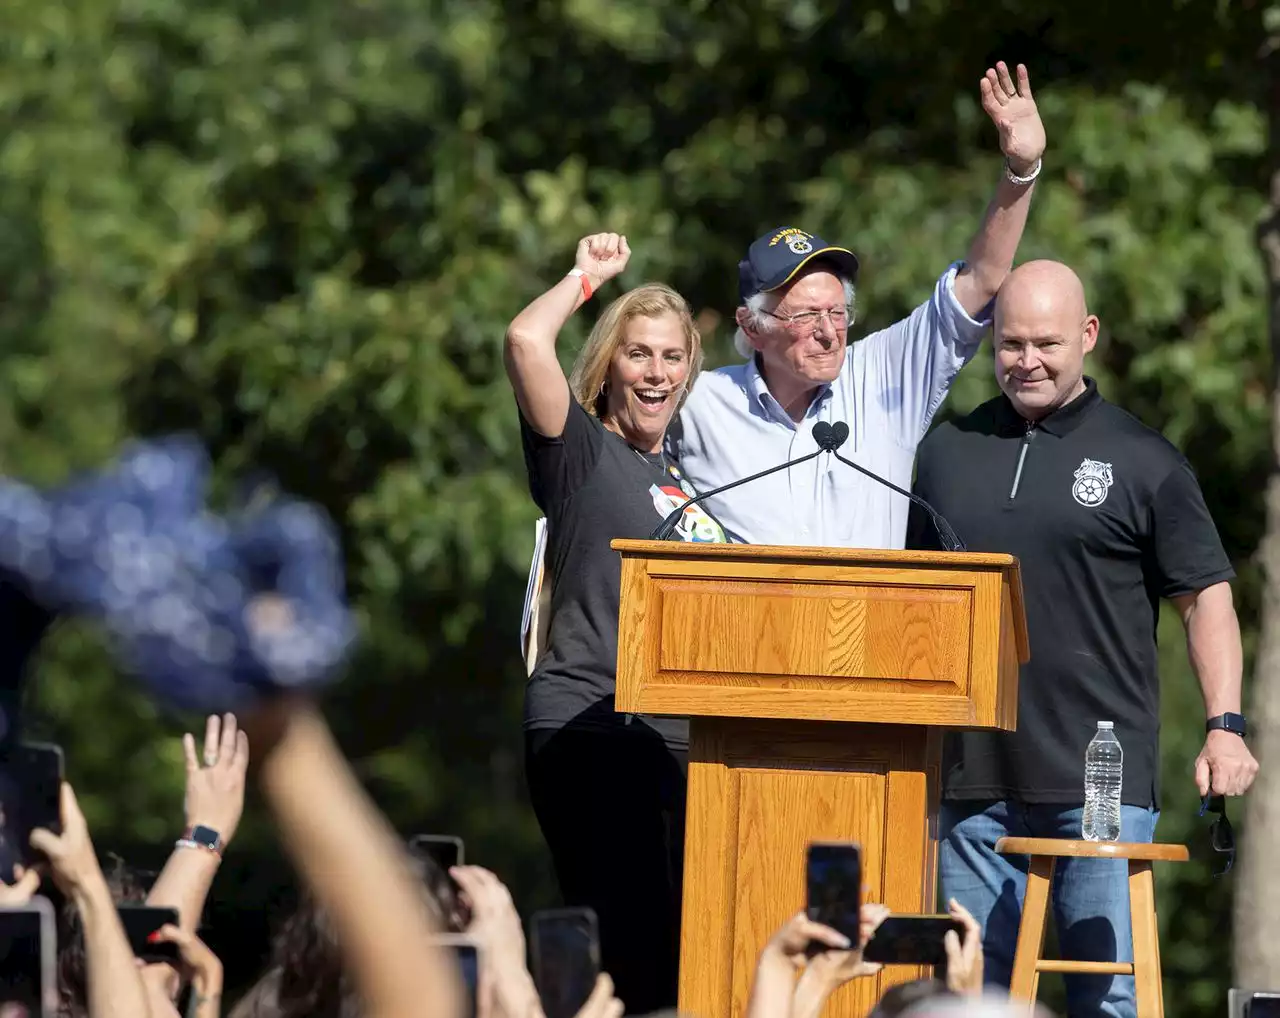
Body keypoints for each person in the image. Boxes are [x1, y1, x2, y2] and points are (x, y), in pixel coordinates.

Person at [906, 260, 1260, 1018]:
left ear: (1088, 337)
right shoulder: (942, 453)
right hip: (970, 782)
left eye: (1046, 343)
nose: (1026, 360)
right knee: (971, 999)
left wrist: (1224, 728)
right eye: (1009, 343)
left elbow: (1206, 599)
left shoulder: (1145, 461)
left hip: (1100, 782)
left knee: (1106, 997)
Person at [668, 61, 1046, 547]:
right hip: (748, 625)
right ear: (753, 326)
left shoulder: (885, 377)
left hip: (867, 623)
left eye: (837, 311)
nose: (829, 331)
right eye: (806, 315)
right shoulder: (700, 404)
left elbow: (983, 280)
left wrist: (1021, 171)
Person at [505, 233, 727, 1013]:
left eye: (671, 357)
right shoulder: (581, 453)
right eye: (638, 355)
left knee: (675, 960)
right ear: (610, 364)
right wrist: (585, 278)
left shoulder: (684, 482)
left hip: (677, 741)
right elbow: (526, 340)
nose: (656, 372)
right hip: (591, 727)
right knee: (631, 958)